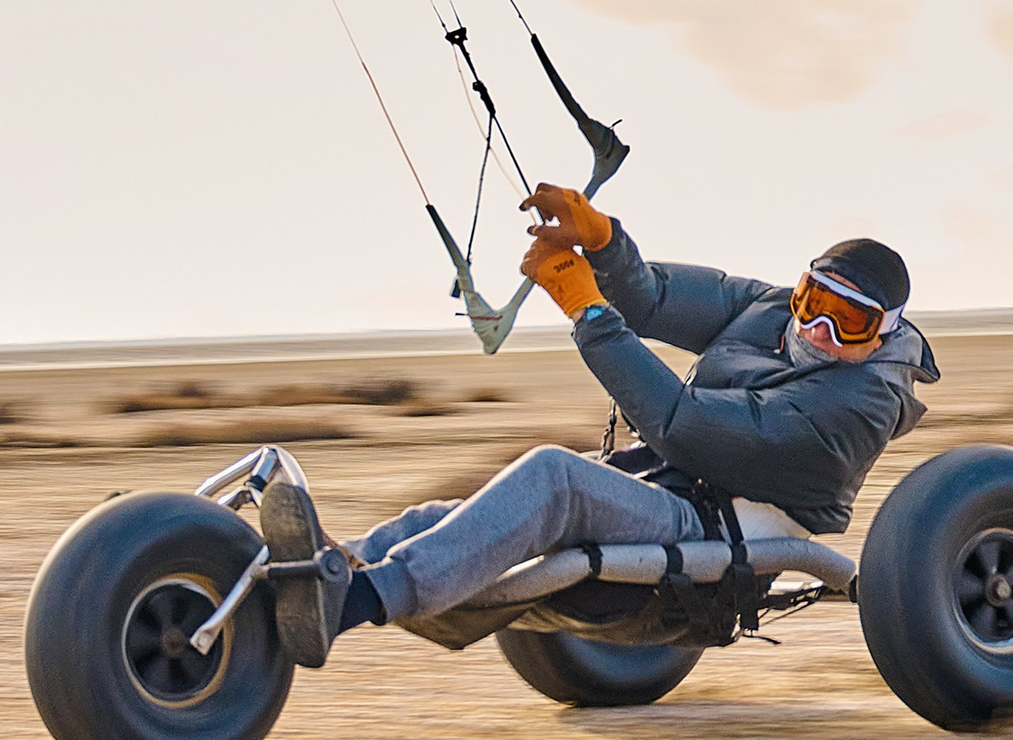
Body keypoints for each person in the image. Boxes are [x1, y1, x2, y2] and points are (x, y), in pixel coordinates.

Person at [259, 182, 940, 664]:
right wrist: (604, 239)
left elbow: (686, 426)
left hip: (713, 530)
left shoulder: (859, 406)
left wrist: (588, 312)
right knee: (454, 516)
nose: (818, 328)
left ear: (882, 334)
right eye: (813, 299)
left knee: (555, 479)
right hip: (662, 488)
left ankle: (353, 602)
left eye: (847, 320)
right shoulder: (769, 312)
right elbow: (653, 296)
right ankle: (327, 573)